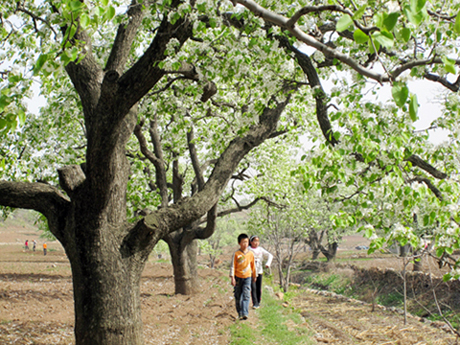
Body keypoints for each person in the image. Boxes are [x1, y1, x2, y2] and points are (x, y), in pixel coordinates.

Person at [229, 233, 256, 320]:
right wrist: (232, 277)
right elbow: (233, 266)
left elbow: (253, 266)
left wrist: (254, 275)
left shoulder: (250, 254)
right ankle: (240, 312)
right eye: (243, 242)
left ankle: (245, 313)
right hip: (238, 277)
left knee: (246, 295)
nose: (245, 244)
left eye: (247, 242)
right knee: (238, 295)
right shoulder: (236, 254)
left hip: (248, 277)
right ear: (239, 243)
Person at [249, 235, 273, 309]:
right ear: (251, 242)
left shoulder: (260, 249)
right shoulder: (248, 249)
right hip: (251, 272)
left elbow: (270, 255)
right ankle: (255, 303)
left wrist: (268, 263)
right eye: (254, 241)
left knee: (258, 287)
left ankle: (258, 302)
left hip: (259, 271)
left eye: (257, 241)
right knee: (253, 287)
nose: (256, 243)